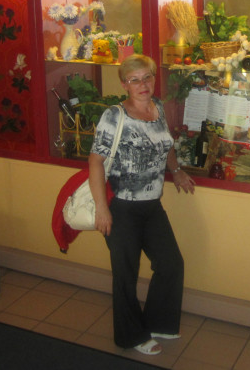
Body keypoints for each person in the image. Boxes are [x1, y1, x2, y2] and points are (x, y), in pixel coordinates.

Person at [88, 54, 195, 356]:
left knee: (171, 263)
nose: (142, 84)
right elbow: (95, 162)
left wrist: (176, 170)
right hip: (121, 207)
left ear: (154, 78)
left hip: (151, 206)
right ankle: (131, 336)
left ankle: (158, 322)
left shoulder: (157, 107)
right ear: (124, 84)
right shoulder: (114, 115)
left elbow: (166, 144)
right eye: (134, 80)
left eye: (147, 77)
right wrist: (102, 208)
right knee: (126, 274)